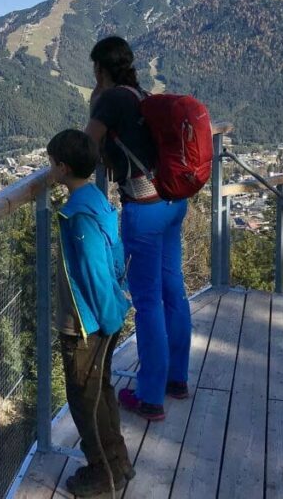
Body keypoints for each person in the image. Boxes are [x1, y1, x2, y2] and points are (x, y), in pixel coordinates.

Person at [84, 36, 190, 422]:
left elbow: (86, 146)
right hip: (173, 202)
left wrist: (95, 97)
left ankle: (149, 397)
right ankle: (177, 379)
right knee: (172, 289)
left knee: (146, 302)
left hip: (143, 209)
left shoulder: (112, 99)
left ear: (101, 68)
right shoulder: (142, 94)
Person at [47, 129, 133, 497]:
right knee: (101, 394)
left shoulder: (78, 217)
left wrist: (107, 318)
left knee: (84, 400)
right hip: (106, 315)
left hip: (87, 324)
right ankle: (117, 463)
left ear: (62, 168)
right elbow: (114, 258)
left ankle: (102, 477)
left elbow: (95, 271)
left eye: (51, 164)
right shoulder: (96, 200)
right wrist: (117, 304)